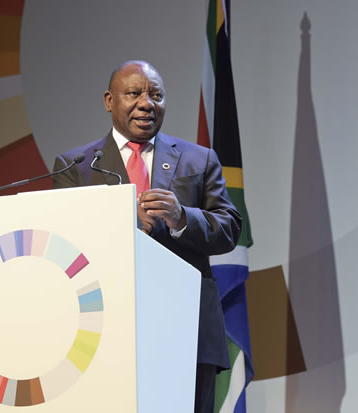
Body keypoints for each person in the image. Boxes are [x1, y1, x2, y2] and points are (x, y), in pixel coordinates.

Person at [52, 60, 241, 413]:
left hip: (188, 329)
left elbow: (229, 228)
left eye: (156, 94)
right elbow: (62, 243)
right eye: (134, 93)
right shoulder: (74, 166)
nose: (146, 103)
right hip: (103, 329)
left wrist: (182, 216)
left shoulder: (198, 159)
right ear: (110, 101)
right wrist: (121, 221)